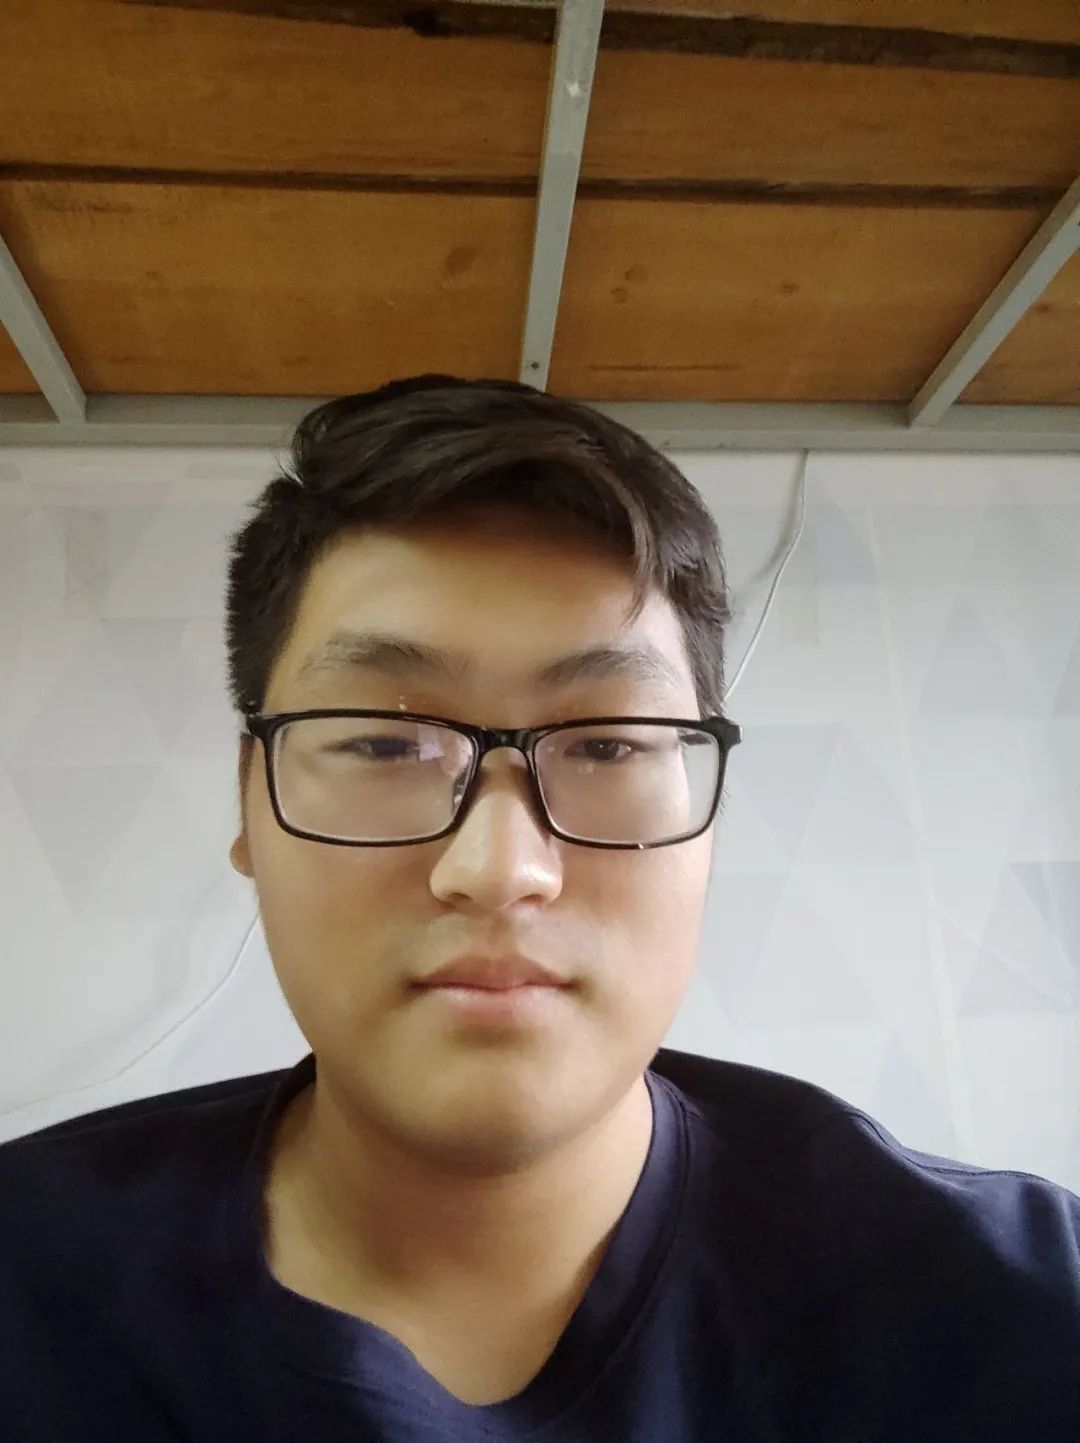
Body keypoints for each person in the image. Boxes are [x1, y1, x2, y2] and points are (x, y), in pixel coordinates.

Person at [2, 377, 1078, 1443]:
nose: (500, 868)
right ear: (248, 799)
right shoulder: (31, 1276)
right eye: (383, 743)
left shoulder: (1011, 1307)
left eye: (606, 744)